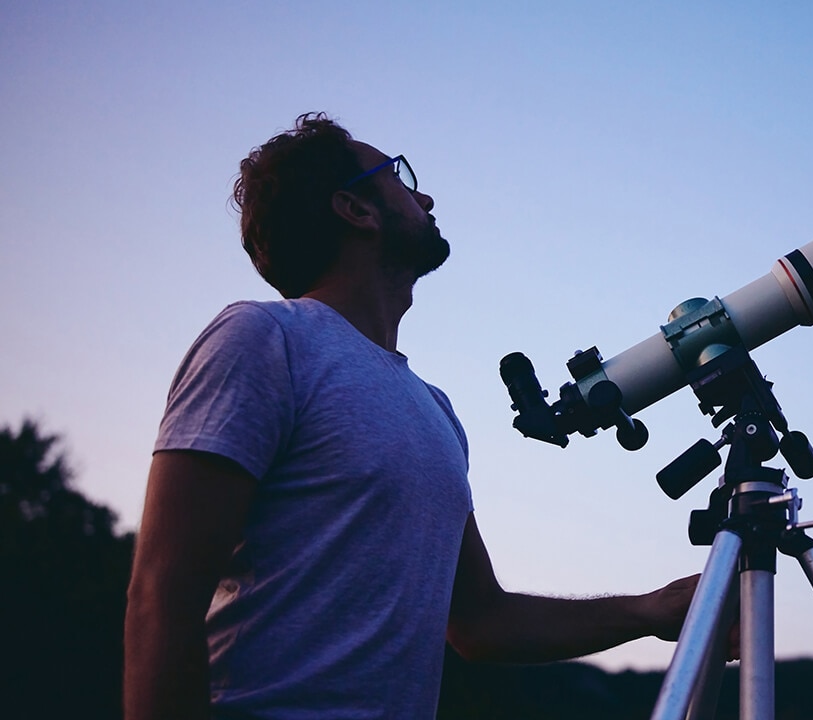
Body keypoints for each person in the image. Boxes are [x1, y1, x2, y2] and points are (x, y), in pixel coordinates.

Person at [123, 112, 698, 719]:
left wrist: (651, 610)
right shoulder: (262, 339)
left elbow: (480, 621)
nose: (424, 196)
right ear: (356, 209)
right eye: (399, 178)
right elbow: (163, 594)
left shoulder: (435, 409)